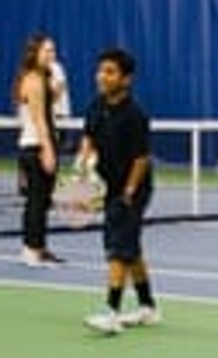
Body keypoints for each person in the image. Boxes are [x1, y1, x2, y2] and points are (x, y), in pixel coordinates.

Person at [77, 48, 161, 335]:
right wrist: (84, 164)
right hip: (108, 185)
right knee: (130, 248)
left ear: (126, 79)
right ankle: (148, 307)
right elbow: (88, 136)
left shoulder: (135, 115)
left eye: (110, 71)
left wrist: (128, 192)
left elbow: (141, 158)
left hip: (133, 188)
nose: (102, 76)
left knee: (117, 247)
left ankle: (111, 312)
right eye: (101, 70)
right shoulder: (96, 106)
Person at [12, 33, 64, 267]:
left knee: (43, 202)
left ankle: (40, 248)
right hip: (36, 147)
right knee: (36, 201)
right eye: (47, 51)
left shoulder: (44, 78)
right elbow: (39, 118)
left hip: (42, 143)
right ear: (35, 53)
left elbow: (49, 107)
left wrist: (57, 88)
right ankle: (30, 250)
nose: (52, 55)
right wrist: (48, 150)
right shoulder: (32, 80)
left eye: (53, 51)